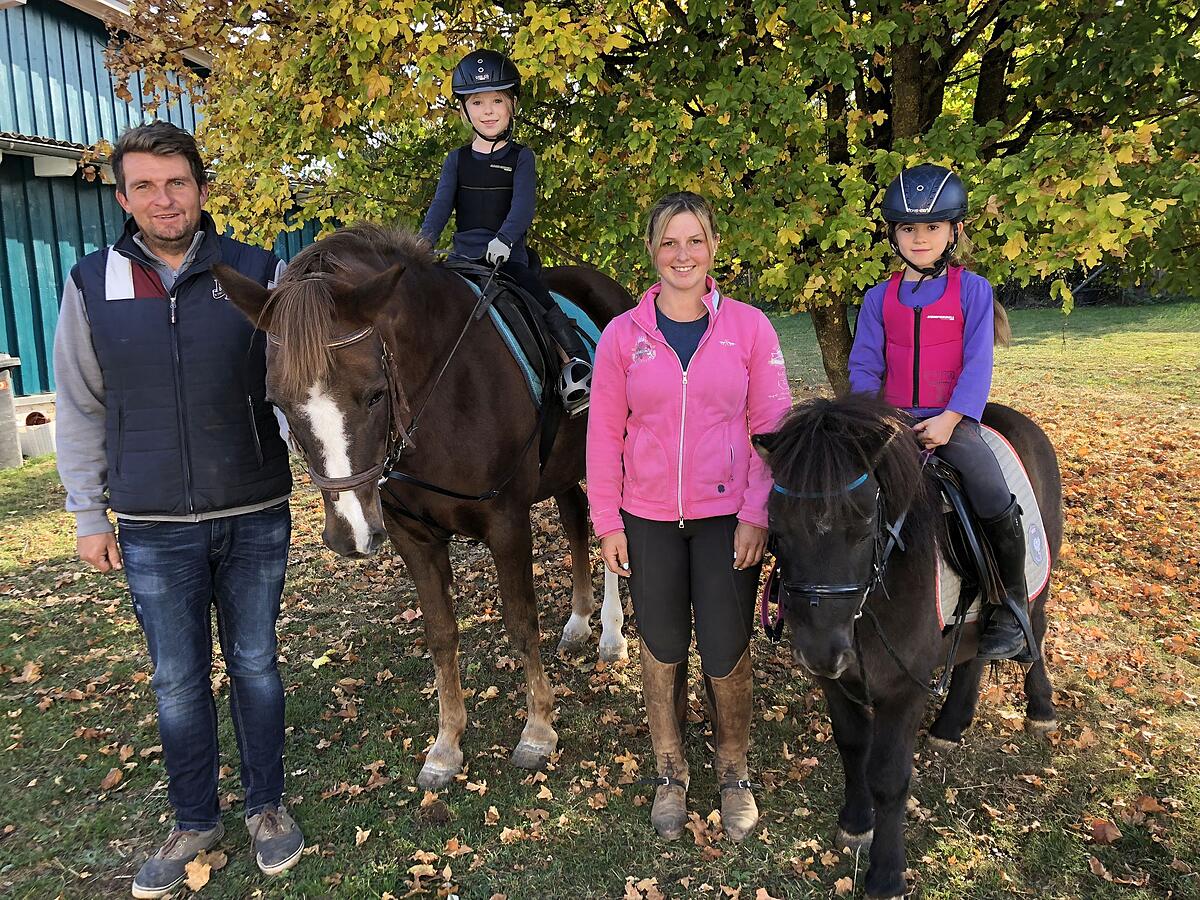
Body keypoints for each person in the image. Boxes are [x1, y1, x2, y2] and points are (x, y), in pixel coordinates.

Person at [53, 122, 303, 898]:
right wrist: (88, 514)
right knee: (176, 681)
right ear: (123, 199)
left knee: (255, 662)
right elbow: (80, 404)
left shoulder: (258, 272)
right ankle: (195, 819)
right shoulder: (92, 283)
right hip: (153, 525)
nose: (164, 199)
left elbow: (294, 387)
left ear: (200, 188)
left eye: (177, 183)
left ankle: (266, 806)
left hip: (254, 510)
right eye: (146, 187)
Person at [586, 192, 792, 841]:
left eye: (694, 241)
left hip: (728, 518)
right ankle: (671, 772)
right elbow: (602, 434)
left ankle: (733, 771)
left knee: (727, 648)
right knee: (662, 645)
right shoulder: (623, 336)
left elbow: (772, 430)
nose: (683, 255)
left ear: (713, 248)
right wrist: (608, 522)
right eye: (669, 242)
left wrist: (757, 514)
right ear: (652, 251)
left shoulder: (750, 329)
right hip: (646, 518)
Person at [848, 162, 1032, 662]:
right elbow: (864, 365)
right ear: (894, 234)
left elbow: (977, 364)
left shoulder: (973, 291)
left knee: (989, 487)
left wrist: (951, 419)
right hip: (891, 422)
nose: (920, 238)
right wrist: (877, 419)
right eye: (909, 228)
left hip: (952, 420)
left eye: (932, 226)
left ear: (954, 231)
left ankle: (1011, 604)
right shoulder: (878, 298)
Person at [419, 48, 593, 415]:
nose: (488, 111)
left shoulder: (521, 157)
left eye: (497, 100)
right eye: (477, 102)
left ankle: (574, 362)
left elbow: (522, 208)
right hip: (464, 260)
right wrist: (422, 243)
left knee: (536, 294)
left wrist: (505, 240)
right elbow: (440, 207)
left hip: (507, 257)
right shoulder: (456, 160)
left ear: (512, 105)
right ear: (464, 111)